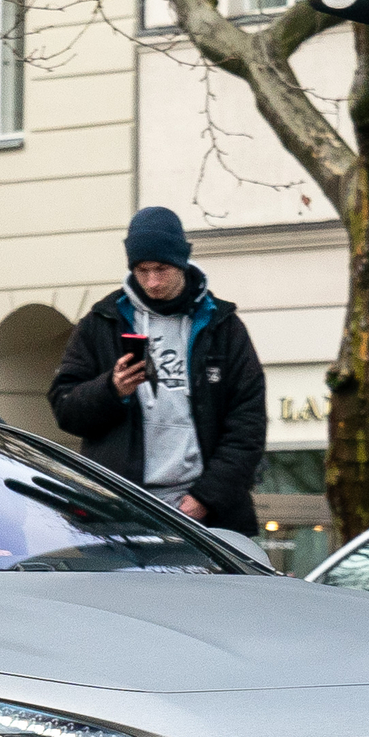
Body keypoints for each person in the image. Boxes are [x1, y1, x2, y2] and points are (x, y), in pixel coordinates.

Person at [47, 206, 267, 533]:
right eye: (142, 270)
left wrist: (206, 497)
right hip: (120, 508)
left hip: (204, 511)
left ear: (181, 262)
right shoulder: (101, 322)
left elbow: (248, 423)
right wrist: (111, 389)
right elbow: (65, 409)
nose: (152, 281)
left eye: (161, 269)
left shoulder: (223, 327)